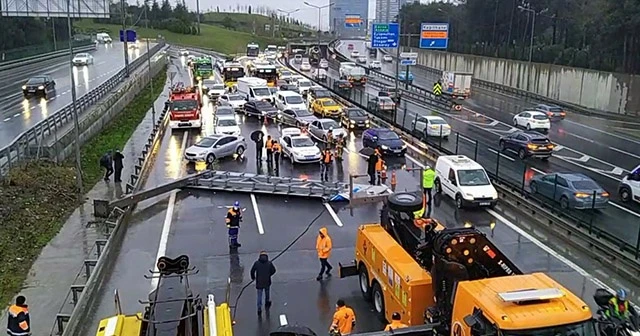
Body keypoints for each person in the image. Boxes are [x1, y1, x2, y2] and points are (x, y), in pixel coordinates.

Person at [250, 251, 276, 316]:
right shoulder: (269, 263)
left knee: (259, 295)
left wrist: (253, 277)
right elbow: (274, 270)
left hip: (259, 282)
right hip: (267, 281)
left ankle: (259, 308)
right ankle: (267, 302)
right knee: (267, 292)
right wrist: (269, 274)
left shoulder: (257, 263)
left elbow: (252, 271)